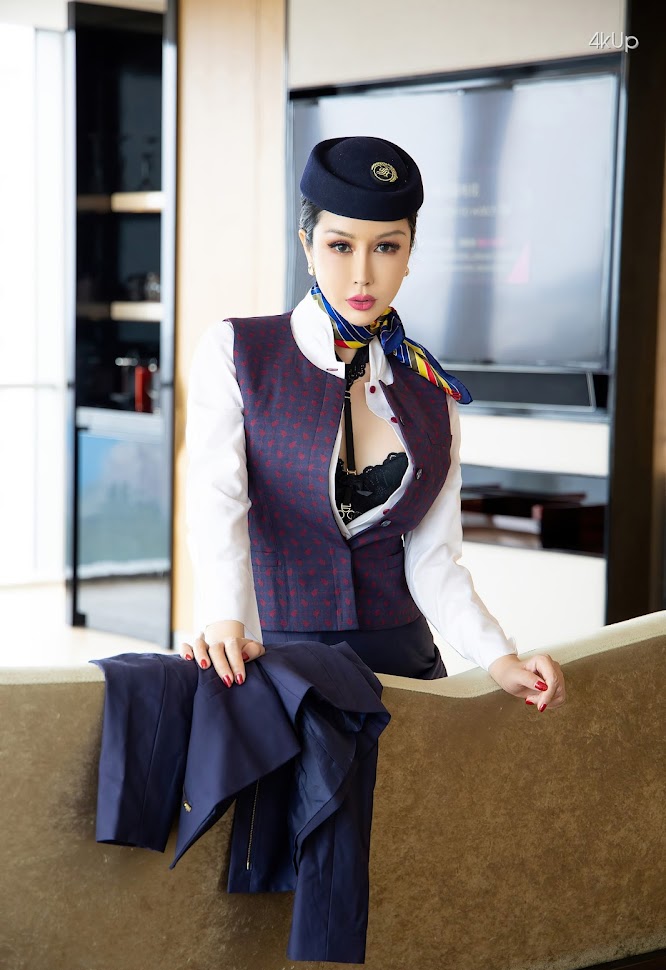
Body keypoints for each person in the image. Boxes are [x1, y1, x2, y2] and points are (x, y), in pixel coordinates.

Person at [181, 135, 566, 713]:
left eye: (386, 247)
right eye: (340, 245)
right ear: (307, 245)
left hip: (404, 674)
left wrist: (500, 658)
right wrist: (224, 622)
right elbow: (218, 505)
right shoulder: (238, 352)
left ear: (409, 254)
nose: (362, 274)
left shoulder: (431, 390)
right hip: (275, 667)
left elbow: (434, 560)